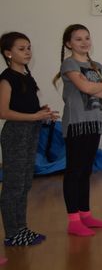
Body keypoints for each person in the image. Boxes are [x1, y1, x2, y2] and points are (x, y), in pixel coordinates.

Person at [55, 24, 102, 237]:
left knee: (87, 171)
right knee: (74, 171)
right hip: (77, 124)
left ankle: (86, 214)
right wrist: (98, 87)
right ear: (68, 43)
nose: (84, 42)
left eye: (87, 38)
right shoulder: (69, 64)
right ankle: (74, 220)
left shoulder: (97, 65)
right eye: (78, 39)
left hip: (94, 123)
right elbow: (86, 88)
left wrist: (92, 88)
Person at [0, 32, 58, 249]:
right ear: (8, 53)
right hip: (16, 134)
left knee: (24, 183)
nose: (27, 52)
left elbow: (25, 106)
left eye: (29, 48)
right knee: (13, 185)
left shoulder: (26, 76)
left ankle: (21, 228)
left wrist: (41, 112)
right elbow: (3, 112)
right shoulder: (6, 78)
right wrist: (34, 116)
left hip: (30, 132)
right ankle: (12, 233)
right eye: (21, 49)